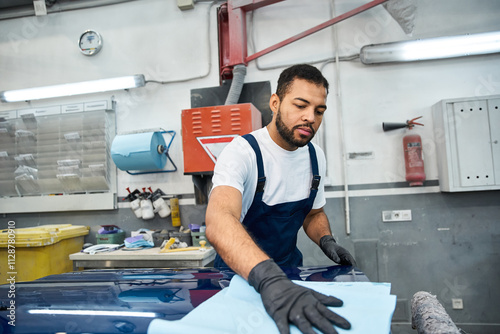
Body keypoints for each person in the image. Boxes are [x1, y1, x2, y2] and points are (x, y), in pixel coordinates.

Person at [205, 64, 356, 334]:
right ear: (275, 102)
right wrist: (268, 279)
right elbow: (219, 221)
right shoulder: (243, 152)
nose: (310, 117)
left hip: (288, 274)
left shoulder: (315, 156)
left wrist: (326, 240)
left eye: (319, 111)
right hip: (237, 279)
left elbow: (313, 214)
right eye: (301, 105)